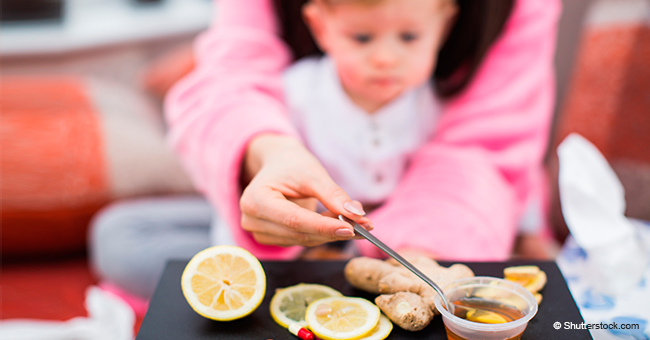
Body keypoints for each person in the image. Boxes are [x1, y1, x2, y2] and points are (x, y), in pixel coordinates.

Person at [89, 0, 560, 305]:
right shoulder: (294, 95)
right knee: (118, 233)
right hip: (298, 237)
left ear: (444, 25)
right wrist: (265, 156)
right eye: (363, 38)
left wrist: (524, 232)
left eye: (409, 38)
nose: (385, 58)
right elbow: (226, 84)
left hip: (389, 243)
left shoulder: (438, 103)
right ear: (321, 26)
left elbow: (499, 158)